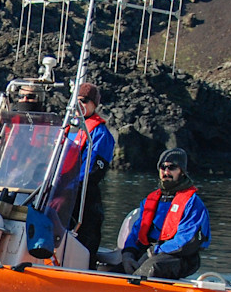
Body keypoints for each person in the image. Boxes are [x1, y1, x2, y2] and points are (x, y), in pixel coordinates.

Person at [120, 148, 209, 279]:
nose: (166, 172)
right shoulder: (150, 201)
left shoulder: (193, 203)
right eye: (163, 167)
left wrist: (154, 252)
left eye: (172, 167)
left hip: (180, 256)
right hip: (148, 251)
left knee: (152, 268)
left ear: (182, 171)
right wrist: (128, 254)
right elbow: (136, 231)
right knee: (112, 270)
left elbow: (187, 240)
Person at [69, 82, 114, 254]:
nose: (80, 104)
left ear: (93, 104)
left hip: (84, 197)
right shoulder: (68, 129)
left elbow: (93, 171)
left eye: (85, 101)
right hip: (62, 192)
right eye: (77, 100)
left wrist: (72, 187)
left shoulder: (100, 134)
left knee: (86, 241)